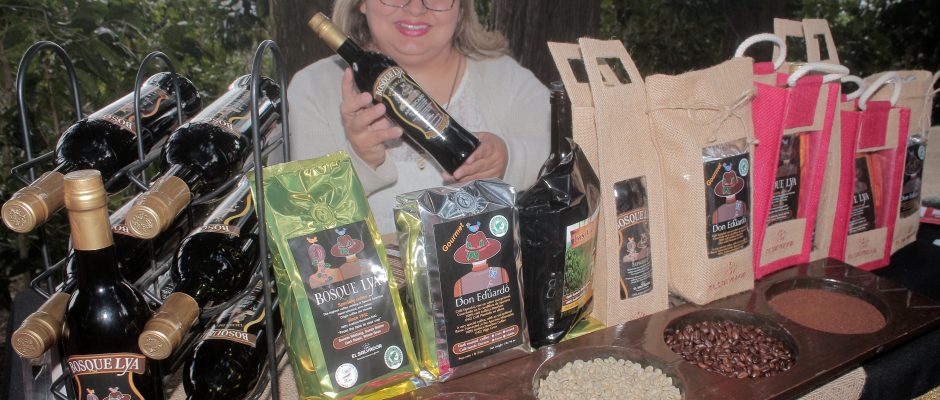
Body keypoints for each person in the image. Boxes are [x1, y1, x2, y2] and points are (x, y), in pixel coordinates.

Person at [288, 0, 550, 233]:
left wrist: (510, 159)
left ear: (461, 8)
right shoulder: (312, 89)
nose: (416, 8)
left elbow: (568, 155)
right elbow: (304, 225)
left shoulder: (505, 78)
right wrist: (360, 161)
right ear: (362, 3)